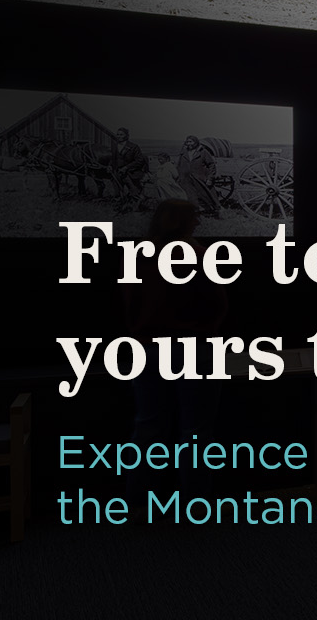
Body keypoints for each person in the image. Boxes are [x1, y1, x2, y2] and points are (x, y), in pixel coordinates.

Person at [124, 200, 227, 501]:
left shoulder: (137, 255)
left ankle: (139, 504)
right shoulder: (196, 253)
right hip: (196, 349)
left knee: (147, 427)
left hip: (149, 349)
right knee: (196, 432)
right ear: (182, 222)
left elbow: (131, 306)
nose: (198, 223)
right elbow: (218, 303)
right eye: (194, 217)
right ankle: (196, 504)